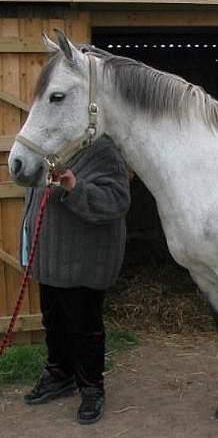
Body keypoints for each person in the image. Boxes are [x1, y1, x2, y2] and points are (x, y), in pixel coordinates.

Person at [20, 134, 131, 424]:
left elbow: (117, 201)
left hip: (82, 261)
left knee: (84, 328)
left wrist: (74, 186)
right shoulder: (45, 145)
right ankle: (59, 375)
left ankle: (92, 388)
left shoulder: (102, 149)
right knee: (53, 321)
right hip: (49, 256)